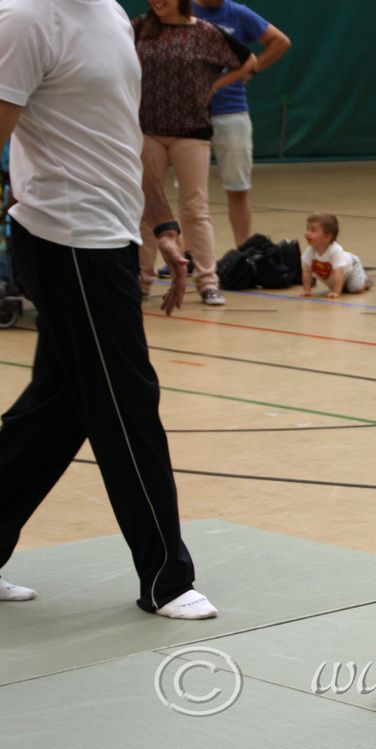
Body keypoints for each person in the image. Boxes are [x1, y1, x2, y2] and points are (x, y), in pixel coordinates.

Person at [0, 0, 217, 619]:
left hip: (113, 238)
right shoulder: (26, 19)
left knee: (60, 405)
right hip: (65, 239)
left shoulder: (111, 15)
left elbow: (122, 136)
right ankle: (166, 578)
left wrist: (163, 224)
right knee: (126, 399)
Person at [133, 0, 257, 307]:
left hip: (192, 132)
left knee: (195, 208)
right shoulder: (136, 30)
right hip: (147, 131)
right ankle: (141, 281)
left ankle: (207, 282)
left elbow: (249, 61)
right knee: (147, 208)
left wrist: (214, 86)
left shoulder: (205, 33)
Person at [192, 0, 292, 248]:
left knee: (237, 187)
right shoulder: (184, 10)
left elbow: (280, 41)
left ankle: (243, 253)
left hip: (231, 111)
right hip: (191, 114)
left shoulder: (237, 13)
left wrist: (251, 70)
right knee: (191, 193)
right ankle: (190, 254)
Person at [301, 213, 372, 299]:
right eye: (307, 229)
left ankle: (365, 280)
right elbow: (306, 271)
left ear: (327, 237)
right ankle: (344, 285)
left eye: (313, 230)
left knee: (356, 289)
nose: (307, 233)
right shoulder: (310, 250)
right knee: (342, 286)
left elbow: (338, 272)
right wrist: (307, 290)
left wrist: (336, 292)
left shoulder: (335, 250)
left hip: (351, 267)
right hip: (336, 276)